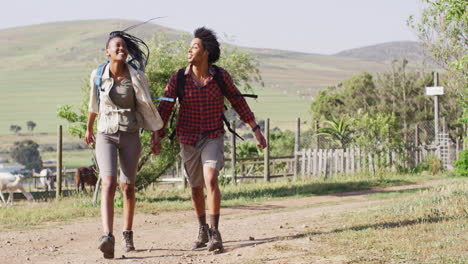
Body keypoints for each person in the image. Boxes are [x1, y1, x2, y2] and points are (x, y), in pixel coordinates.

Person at [154, 27, 267, 252]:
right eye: (190, 46)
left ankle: (215, 232)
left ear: (205, 52)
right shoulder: (178, 78)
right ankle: (202, 229)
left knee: (211, 178)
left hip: (213, 136)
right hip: (187, 137)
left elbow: (238, 102)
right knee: (196, 187)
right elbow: (165, 107)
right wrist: (156, 134)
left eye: (194, 46)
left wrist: (255, 129)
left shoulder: (220, 77)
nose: (189, 49)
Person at [85, 30, 163, 259]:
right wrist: (89, 128)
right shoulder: (98, 75)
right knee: (108, 182)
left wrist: (156, 135)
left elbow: (147, 106)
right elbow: (93, 104)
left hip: (130, 134)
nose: (121, 49)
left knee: (127, 187)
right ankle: (108, 236)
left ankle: (127, 232)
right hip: (105, 133)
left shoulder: (136, 76)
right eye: (116, 46)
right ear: (107, 52)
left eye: (124, 47)